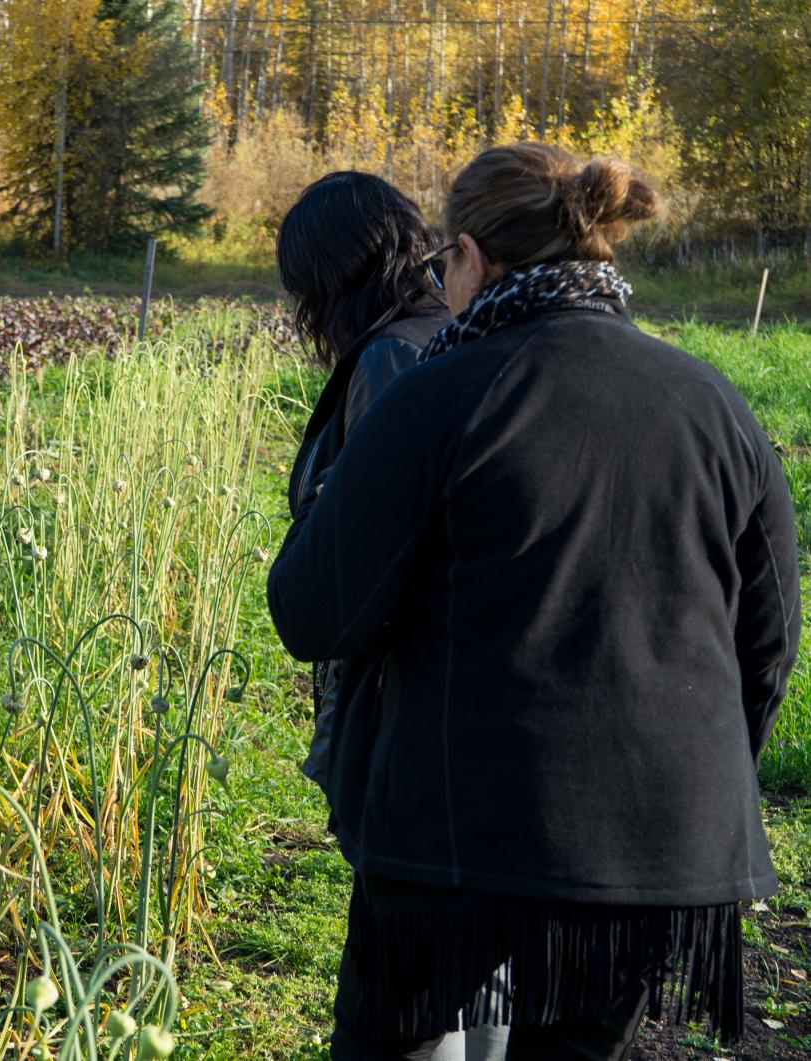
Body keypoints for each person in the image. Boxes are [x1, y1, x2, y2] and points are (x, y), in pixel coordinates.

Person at [267, 142, 800, 1061]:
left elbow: (314, 611)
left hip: (458, 846)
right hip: (660, 849)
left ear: (471, 256)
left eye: (445, 265)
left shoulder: (443, 394)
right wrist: (682, 780)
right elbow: (769, 641)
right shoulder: (716, 405)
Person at [275, 173, 508, 1061]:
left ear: (335, 276)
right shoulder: (457, 336)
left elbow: (372, 554)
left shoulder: (392, 360)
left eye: (303, 287)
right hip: (471, 714)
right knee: (480, 974)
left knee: (415, 991)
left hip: (418, 716)